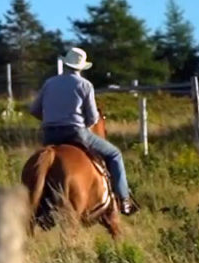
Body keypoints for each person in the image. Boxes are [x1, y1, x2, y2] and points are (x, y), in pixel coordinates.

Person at [29, 47, 139, 215]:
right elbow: (93, 118)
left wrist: (50, 121)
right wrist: (83, 124)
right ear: (81, 67)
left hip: (50, 135)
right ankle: (124, 200)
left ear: (66, 64)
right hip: (76, 133)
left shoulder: (49, 83)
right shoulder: (85, 85)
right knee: (115, 154)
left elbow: (34, 109)